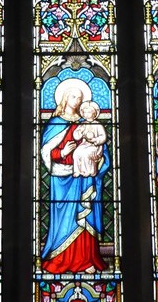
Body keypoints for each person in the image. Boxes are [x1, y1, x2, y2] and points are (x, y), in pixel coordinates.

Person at [40, 79, 109, 274]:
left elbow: (103, 151)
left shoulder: (86, 123)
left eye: (80, 97)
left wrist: (98, 157)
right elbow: (46, 153)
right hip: (62, 178)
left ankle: (87, 260)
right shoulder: (56, 123)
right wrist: (62, 153)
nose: (77, 100)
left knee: (85, 215)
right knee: (66, 218)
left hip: (85, 175)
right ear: (64, 98)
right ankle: (61, 258)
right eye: (73, 96)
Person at [72, 100, 107, 178]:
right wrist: (80, 131)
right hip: (84, 144)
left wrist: (95, 140)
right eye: (85, 112)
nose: (87, 114)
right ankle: (77, 171)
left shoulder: (98, 125)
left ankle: (90, 171)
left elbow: (103, 136)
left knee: (86, 154)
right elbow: (76, 136)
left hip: (95, 146)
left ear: (94, 113)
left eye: (89, 112)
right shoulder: (83, 124)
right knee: (77, 152)